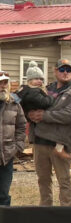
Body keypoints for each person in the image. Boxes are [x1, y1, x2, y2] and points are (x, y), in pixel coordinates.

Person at [28, 59, 71, 206]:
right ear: (55, 71)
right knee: (43, 180)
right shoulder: (46, 89)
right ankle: (45, 211)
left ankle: (66, 214)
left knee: (64, 181)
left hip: (59, 144)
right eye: (62, 69)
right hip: (40, 141)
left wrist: (45, 115)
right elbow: (31, 105)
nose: (65, 72)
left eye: (68, 69)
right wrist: (30, 114)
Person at [15, 61, 70, 159]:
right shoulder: (34, 91)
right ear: (29, 80)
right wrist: (52, 97)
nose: (39, 81)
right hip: (38, 121)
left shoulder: (22, 89)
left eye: (41, 79)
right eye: (36, 79)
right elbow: (44, 103)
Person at [0, 70, 26, 205]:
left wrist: (18, 147)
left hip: (6, 156)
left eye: (5, 83)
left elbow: (22, 126)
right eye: (0, 83)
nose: (3, 86)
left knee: (3, 194)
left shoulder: (15, 103)